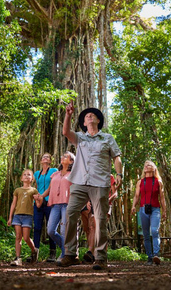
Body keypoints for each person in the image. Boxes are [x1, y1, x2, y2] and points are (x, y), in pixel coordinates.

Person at [59, 101, 123, 270]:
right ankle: (70, 254)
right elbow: (66, 132)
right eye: (86, 116)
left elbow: (117, 157)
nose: (89, 116)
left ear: (98, 121)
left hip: (99, 183)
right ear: (84, 123)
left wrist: (119, 174)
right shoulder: (80, 137)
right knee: (70, 213)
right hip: (80, 182)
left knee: (100, 219)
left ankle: (100, 257)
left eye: (92, 115)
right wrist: (68, 114)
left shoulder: (107, 138)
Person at [39, 151, 75, 263]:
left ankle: (65, 256)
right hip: (55, 205)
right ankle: (65, 250)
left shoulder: (73, 174)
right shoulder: (55, 174)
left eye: (65, 156)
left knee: (64, 230)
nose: (62, 157)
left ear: (71, 161)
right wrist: (40, 196)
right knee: (50, 230)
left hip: (67, 204)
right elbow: (49, 189)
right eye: (62, 156)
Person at [131, 160, 167, 265]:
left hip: (155, 209)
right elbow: (137, 196)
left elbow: (162, 197)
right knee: (146, 234)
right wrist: (133, 206)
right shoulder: (140, 182)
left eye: (149, 165)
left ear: (154, 168)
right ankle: (149, 257)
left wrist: (164, 210)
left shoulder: (158, 182)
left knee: (155, 231)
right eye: (145, 165)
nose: (147, 166)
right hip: (143, 209)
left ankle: (156, 255)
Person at [81, 175, 117, 264]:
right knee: (92, 227)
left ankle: (102, 255)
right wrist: (88, 201)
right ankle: (91, 253)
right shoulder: (93, 174)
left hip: (105, 204)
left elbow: (115, 193)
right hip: (94, 203)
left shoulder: (110, 177)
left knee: (100, 227)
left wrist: (107, 200)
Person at [7, 169, 40, 266]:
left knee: (26, 237)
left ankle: (34, 250)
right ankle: (18, 258)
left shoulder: (33, 190)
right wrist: (10, 217)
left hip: (28, 216)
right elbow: (13, 204)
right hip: (17, 216)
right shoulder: (17, 190)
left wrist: (38, 199)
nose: (26, 176)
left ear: (32, 179)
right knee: (18, 236)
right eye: (24, 175)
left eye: (29, 175)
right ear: (21, 178)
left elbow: (37, 205)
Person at [33, 153, 58, 262]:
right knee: (37, 227)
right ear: (40, 161)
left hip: (49, 202)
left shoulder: (53, 171)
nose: (45, 158)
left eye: (47, 157)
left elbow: (54, 184)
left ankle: (52, 253)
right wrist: (35, 197)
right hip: (38, 202)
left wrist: (44, 196)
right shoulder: (37, 173)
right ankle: (34, 252)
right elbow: (34, 187)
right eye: (43, 157)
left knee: (50, 228)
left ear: (50, 161)